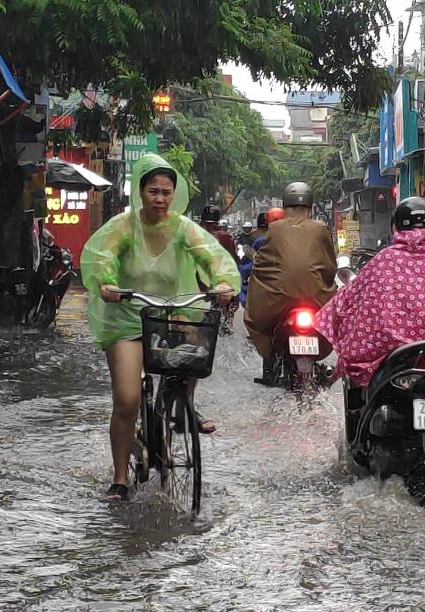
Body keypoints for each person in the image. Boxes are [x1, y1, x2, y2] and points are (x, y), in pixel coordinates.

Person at [81, 153, 240, 502]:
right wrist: (106, 284)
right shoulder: (123, 227)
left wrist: (225, 283)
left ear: (174, 194)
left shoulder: (183, 227)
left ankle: (179, 411)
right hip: (127, 318)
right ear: (141, 192)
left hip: (169, 314)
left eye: (166, 192)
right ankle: (120, 478)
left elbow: (212, 256)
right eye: (153, 191)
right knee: (127, 400)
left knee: (196, 350)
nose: (160, 198)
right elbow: (102, 257)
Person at [315, 197, 425, 415]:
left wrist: (330, 318)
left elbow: (349, 297)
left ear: (396, 227)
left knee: (355, 368)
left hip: (394, 351)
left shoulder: (384, 259)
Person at [245, 182, 337, 385]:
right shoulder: (321, 228)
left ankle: (269, 362)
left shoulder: (275, 228)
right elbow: (330, 265)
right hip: (315, 296)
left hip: (279, 298)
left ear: (285, 206)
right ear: (310, 207)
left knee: (259, 317)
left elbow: (261, 264)